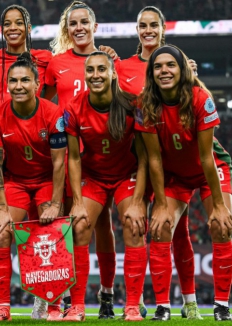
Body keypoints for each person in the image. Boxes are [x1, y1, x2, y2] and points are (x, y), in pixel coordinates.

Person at [136, 44, 232, 321]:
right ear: (151, 72)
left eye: (170, 65)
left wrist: (217, 205)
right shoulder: (145, 104)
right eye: (158, 66)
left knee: (220, 226)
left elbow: (206, 158)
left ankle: (221, 307)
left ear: (181, 69)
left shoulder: (200, 98)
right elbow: (154, 159)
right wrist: (162, 205)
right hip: (174, 176)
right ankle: (163, 307)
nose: (164, 70)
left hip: (209, 171)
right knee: (160, 226)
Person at [115, 6, 201, 320]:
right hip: (135, 162)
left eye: (153, 25)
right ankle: (130, 302)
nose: (147, 30)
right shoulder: (120, 67)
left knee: (178, 233)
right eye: (142, 25)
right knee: (134, 227)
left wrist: (194, 75)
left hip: (172, 163)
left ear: (163, 28)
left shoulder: (178, 64)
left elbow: (200, 104)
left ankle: (188, 301)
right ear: (136, 30)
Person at [43, 1, 118, 318]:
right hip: (67, 158)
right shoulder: (55, 64)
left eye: (84, 21)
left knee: (104, 227)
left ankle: (107, 295)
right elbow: (43, 109)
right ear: (67, 28)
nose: (79, 27)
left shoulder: (110, 61)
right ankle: (58, 300)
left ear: (95, 26)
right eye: (72, 23)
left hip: (104, 158)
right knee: (67, 228)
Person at [64, 51, 149, 322]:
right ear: (85, 74)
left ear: (113, 73)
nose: (95, 75)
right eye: (90, 70)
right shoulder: (74, 107)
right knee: (79, 226)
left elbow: (146, 156)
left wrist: (137, 201)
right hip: (94, 176)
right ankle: (77, 306)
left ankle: (132, 306)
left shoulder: (131, 106)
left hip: (127, 175)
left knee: (134, 226)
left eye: (102, 69)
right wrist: (77, 201)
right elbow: (74, 157)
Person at [0, 53, 67, 322]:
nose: (18, 86)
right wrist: (2, 209)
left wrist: (55, 202)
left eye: (24, 80)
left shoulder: (53, 113)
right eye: (13, 81)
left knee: (51, 233)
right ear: (7, 85)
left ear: (37, 83)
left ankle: (52, 304)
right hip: (15, 182)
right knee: (0, 234)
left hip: (46, 180)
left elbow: (59, 163)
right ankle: (3, 306)